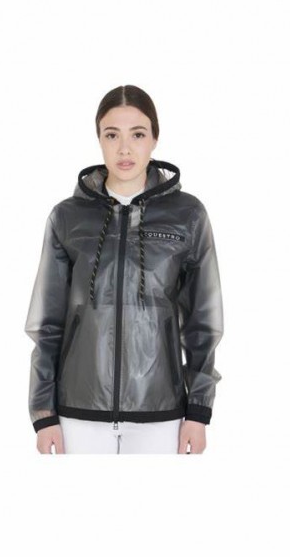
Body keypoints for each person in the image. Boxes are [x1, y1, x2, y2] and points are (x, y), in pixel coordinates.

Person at [25, 85, 224, 454]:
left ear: (155, 139)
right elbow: (49, 324)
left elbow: (202, 323)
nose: (125, 149)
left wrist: (198, 411)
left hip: (161, 414)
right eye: (112, 135)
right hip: (78, 414)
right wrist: (44, 412)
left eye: (138, 134)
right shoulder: (67, 217)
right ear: (99, 139)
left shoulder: (188, 216)